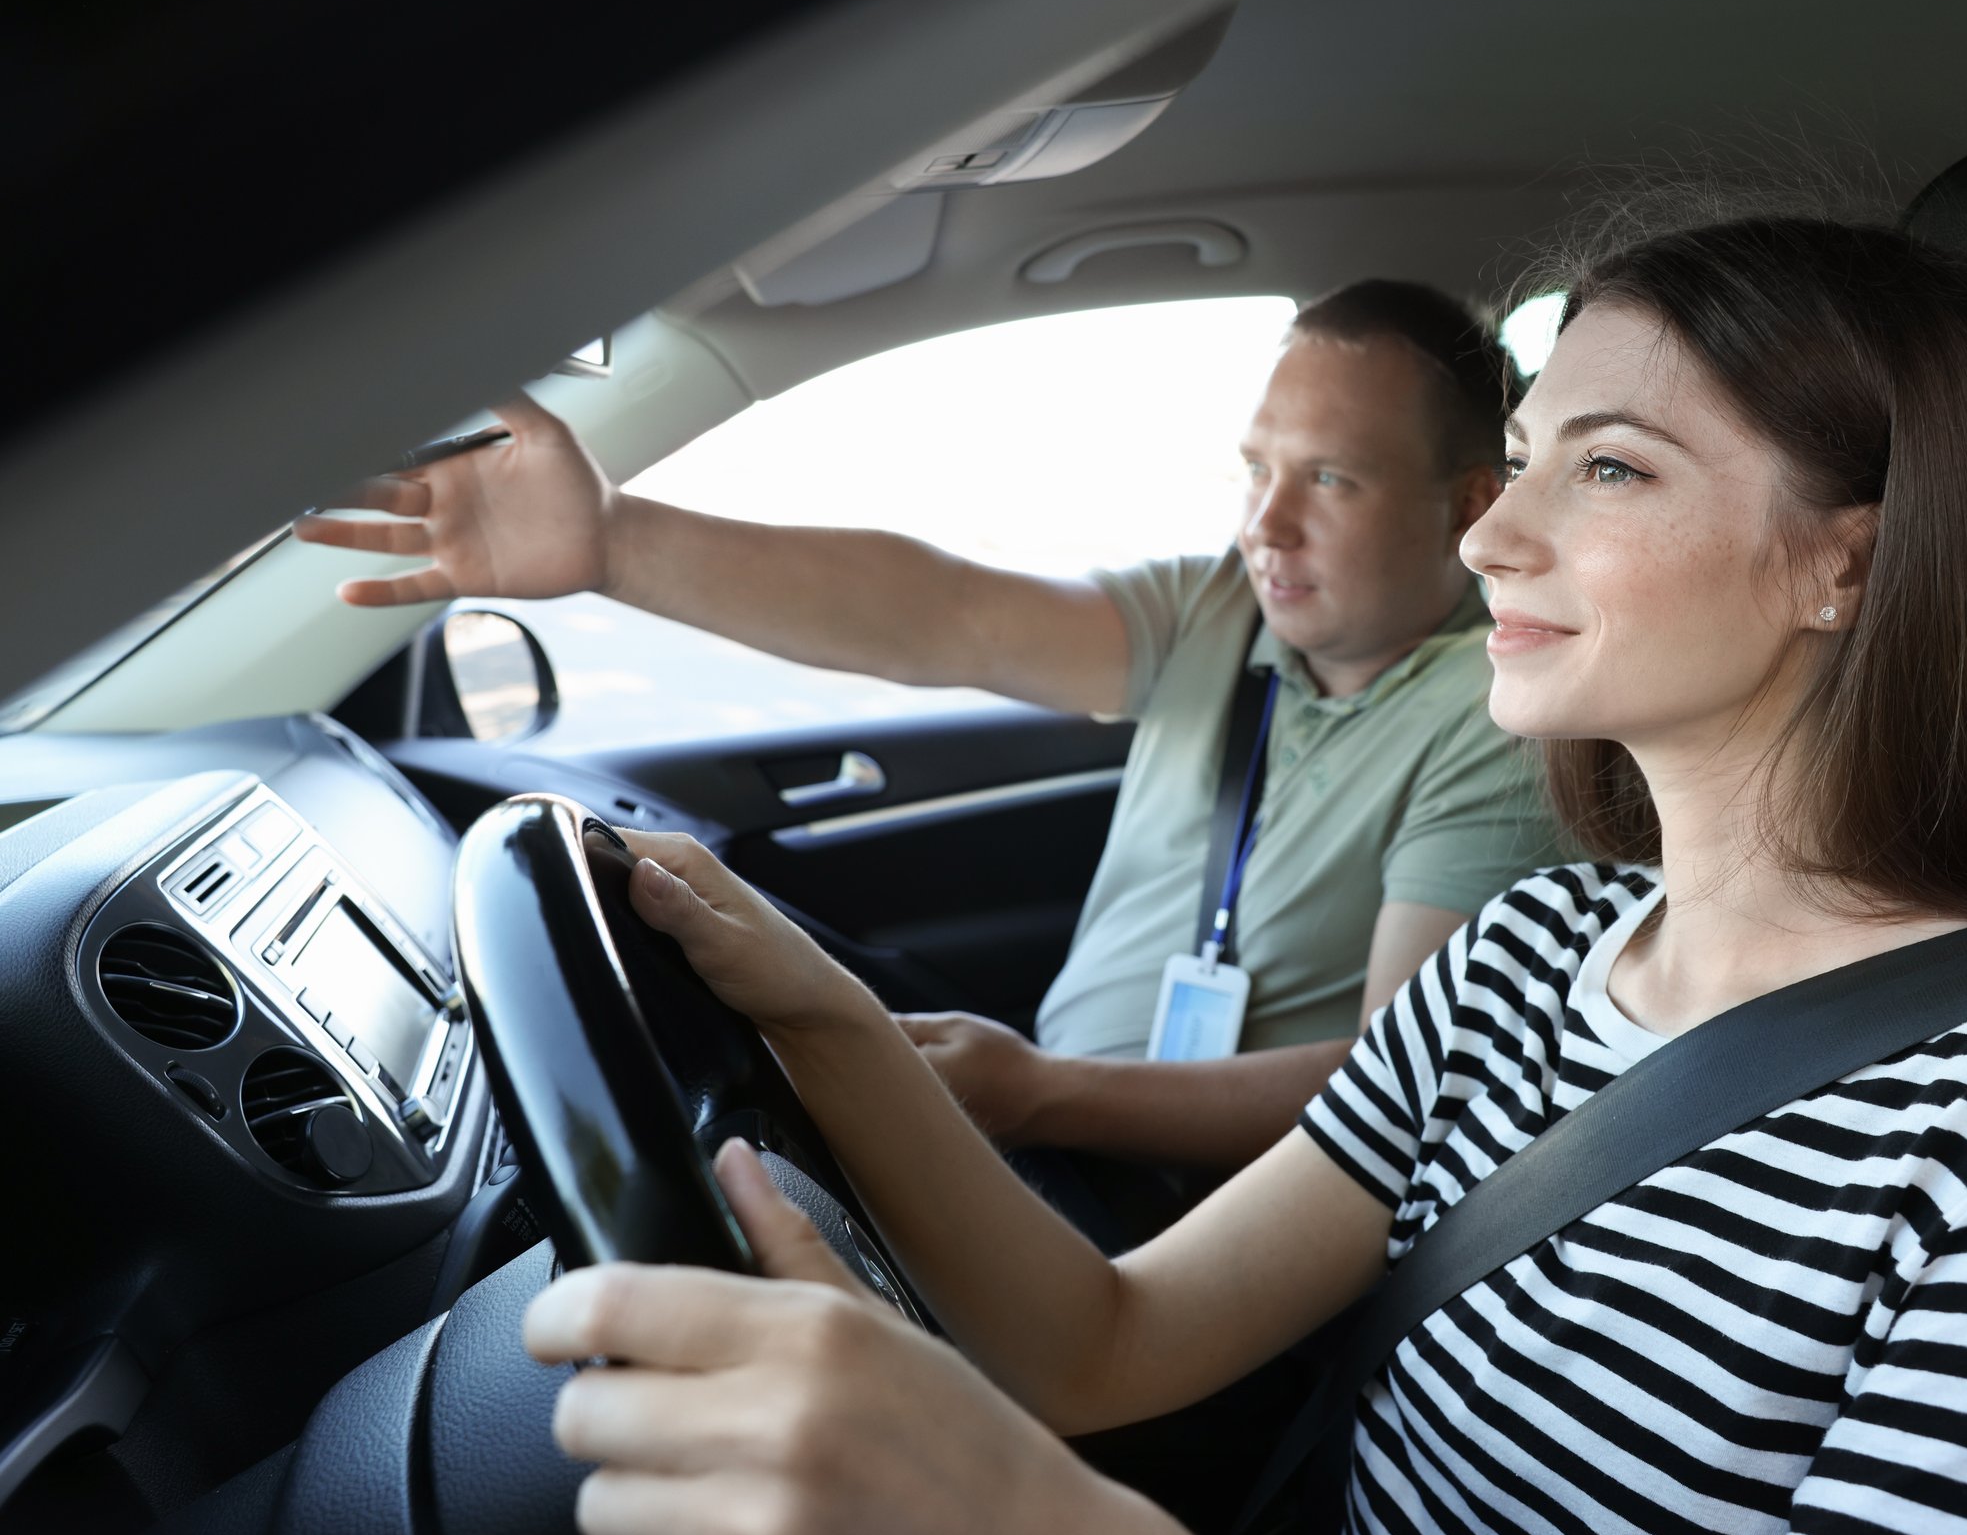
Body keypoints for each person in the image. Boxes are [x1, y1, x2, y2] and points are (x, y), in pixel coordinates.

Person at [520, 214, 1967, 1535]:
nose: (1493, 539)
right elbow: (1104, 1342)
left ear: (1844, 562)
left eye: (1611, 468)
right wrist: (819, 1016)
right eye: (1525, 455)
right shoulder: (1525, 965)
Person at [296, 281, 1565, 1195]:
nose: (1266, 524)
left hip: (1194, 1214)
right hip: (1055, 1118)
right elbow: (943, 611)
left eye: (1330, 479)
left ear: (1470, 503)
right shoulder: (1225, 610)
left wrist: (1041, 1093)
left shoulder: (1496, 720)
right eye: (1257, 469)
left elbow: (1393, 1094)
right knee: (684, 945)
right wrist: (615, 545)